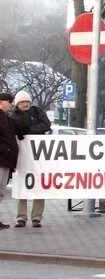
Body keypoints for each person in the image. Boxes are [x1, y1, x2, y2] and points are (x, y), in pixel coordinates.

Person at [9, 91, 50, 227]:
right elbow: (13, 130)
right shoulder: (13, 116)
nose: (25, 104)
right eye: (22, 102)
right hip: (22, 155)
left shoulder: (37, 111)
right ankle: (21, 217)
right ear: (17, 103)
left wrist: (28, 131)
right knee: (21, 184)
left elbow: (46, 125)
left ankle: (36, 218)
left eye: (27, 101)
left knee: (39, 183)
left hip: (39, 155)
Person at [0, 92, 19, 229]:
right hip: (2, 158)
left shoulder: (6, 118)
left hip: (5, 159)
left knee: (1, 191)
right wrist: (5, 149)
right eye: (10, 102)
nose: (12, 104)